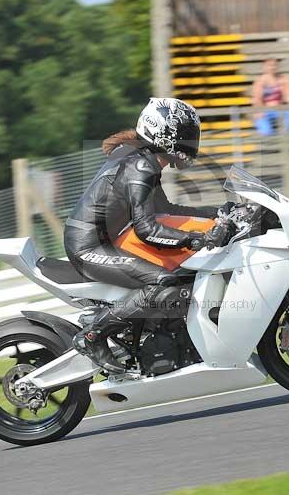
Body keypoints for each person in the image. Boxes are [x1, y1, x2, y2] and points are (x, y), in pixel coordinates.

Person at [65, 98, 231, 372]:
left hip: (108, 239)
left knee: (179, 272)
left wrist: (219, 212)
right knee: (163, 283)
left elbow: (167, 210)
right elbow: (147, 229)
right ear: (165, 135)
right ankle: (93, 336)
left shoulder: (145, 161)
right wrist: (195, 238)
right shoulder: (140, 166)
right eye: (187, 135)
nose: (192, 142)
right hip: (88, 247)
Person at [252, 58, 289, 136]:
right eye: (269, 65)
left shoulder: (283, 79)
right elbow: (257, 99)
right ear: (264, 67)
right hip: (265, 110)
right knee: (265, 131)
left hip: (280, 109)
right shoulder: (260, 81)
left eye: (274, 65)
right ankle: (268, 140)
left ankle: (287, 135)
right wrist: (259, 110)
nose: (272, 67)